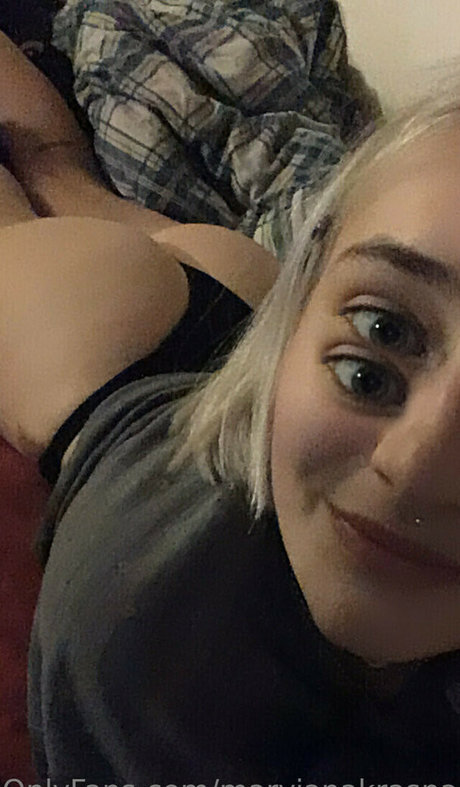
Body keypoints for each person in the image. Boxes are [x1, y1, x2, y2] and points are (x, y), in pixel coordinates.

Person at [1, 27, 460, 786]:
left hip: (240, 294)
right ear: (305, 293)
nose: (413, 470)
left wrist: (370, 338)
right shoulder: (155, 647)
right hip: (103, 352)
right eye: (381, 341)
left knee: (73, 178)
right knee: (42, 173)